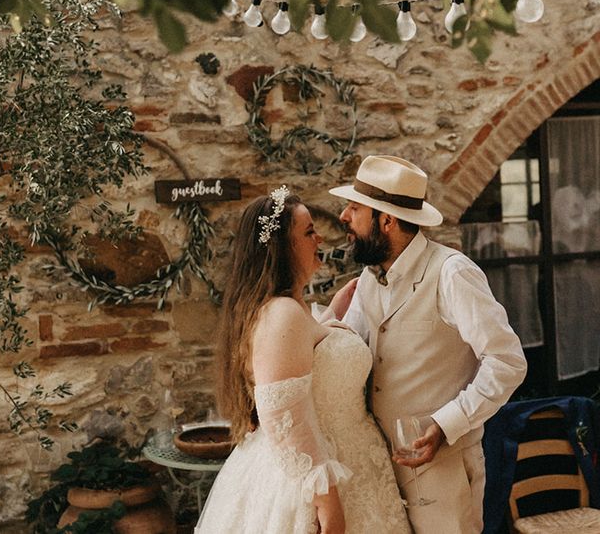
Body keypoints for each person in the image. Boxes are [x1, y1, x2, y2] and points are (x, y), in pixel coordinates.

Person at [326, 155, 528, 534]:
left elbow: (507, 361)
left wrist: (446, 423)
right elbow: (344, 353)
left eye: (355, 207)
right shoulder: (369, 279)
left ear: (386, 220)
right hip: (381, 472)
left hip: (445, 469)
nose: (344, 216)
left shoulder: (453, 273)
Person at [196, 186, 410, 533]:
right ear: (282, 248)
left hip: (352, 464)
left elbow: (306, 360)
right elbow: (285, 417)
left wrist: (331, 317)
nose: (319, 238)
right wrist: (328, 505)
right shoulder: (281, 314)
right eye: (309, 232)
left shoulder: (290, 310)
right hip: (315, 479)